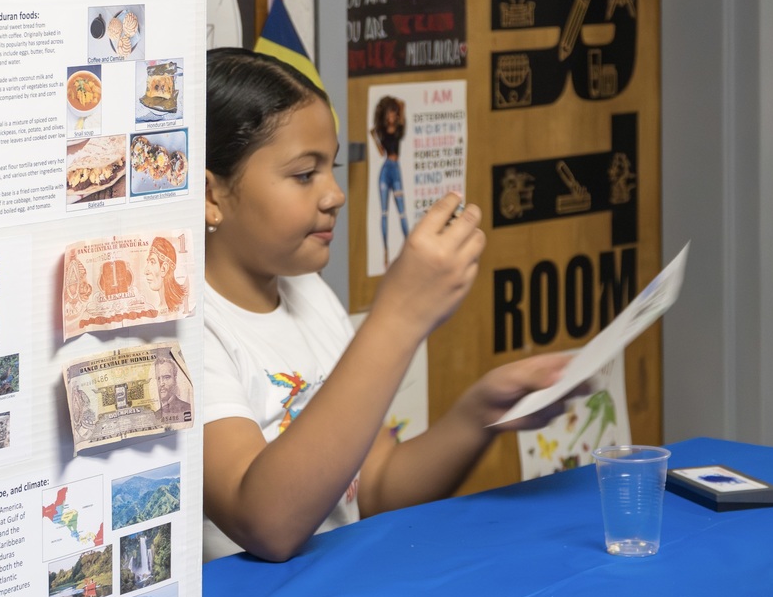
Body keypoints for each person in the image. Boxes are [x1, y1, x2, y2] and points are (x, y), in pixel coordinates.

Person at [202, 48, 575, 563]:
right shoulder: (185, 331)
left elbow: (373, 486)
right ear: (210, 195)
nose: (335, 194)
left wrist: (481, 413)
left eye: (331, 168)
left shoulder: (308, 292)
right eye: (305, 174)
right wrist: (398, 316)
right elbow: (266, 523)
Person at [370, 95, 409, 268]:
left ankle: (409, 246)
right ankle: (385, 251)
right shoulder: (383, 132)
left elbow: (403, 110)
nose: (391, 116)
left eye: (393, 113)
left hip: (395, 169)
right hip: (385, 170)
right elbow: (380, 152)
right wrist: (374, 137)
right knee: (384, 212)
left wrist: (400, 108)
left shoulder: (399, 130)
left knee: (402, 212)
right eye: (389, 114)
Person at [144, 236, 189, 315]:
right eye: (148, 262)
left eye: (152, 262)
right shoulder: (159, 309)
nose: (145, 271)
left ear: (164, 268)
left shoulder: (181, 307)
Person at [155, 357, 192, 423]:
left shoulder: (188, 408)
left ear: (174, 379)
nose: (161, 383)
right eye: (158, 379)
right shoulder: (155, 415)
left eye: (166, 377)